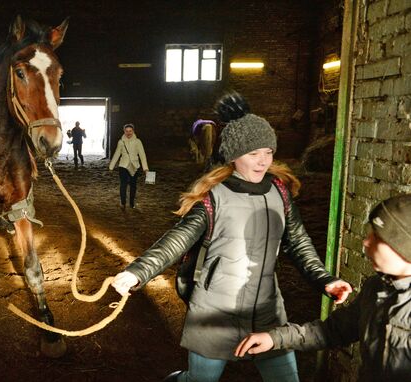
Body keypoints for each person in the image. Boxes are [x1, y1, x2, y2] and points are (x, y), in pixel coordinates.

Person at [111, 91, 352, 382]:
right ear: (234, 155)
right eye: (254, 154)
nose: (263, 161)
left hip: (267, 311)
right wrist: (137, 272)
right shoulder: (213, 198)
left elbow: (299, 243)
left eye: (268, 152)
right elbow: (176, 240)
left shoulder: (280, 192)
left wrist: (325, 280)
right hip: (214, 313)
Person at [235, 194, 411, 381]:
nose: (366, 242)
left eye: (377, 237)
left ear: (403, 247)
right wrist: (276, 338)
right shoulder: (376, 288)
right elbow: (333, 331)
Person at [109, 123, 149, 210]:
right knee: (123, 185)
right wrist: (111, 166)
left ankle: (132, 203)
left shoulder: (138, 142)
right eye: (126, 131)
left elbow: (142, 155)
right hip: (123, 165)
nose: (128, 133)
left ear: (133, 131)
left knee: (133, 185)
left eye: (130, 131)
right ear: (124, 131)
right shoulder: (121, 142)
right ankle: (123, 202)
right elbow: (117, 154)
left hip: (135, 166)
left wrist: (145, 168)